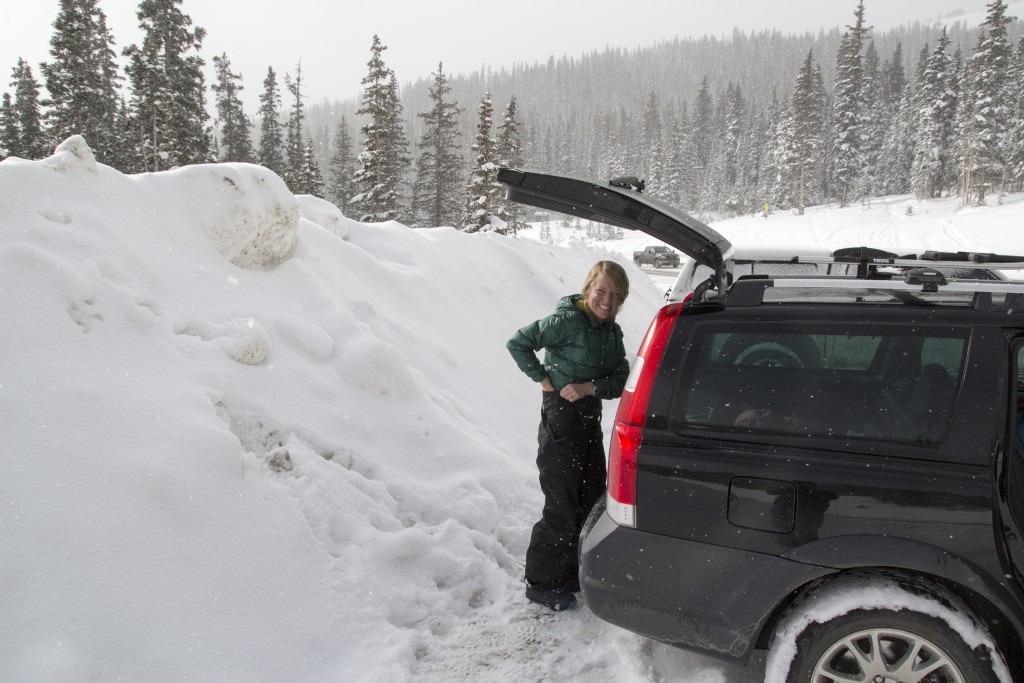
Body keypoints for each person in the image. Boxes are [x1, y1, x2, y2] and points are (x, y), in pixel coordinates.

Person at [506, 260, 631, 611]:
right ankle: (542, 583)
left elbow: (621, 376)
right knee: (561, 503)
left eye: (616, 295)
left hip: (589, 418)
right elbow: (518, 342)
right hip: (560, 418)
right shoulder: (567, 321)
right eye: (601, 290)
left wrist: (591, 386)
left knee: (590, 497)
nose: (607, 300)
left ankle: (570, 573)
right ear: (589, 287)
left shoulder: (611, 333)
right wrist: (545, 381)